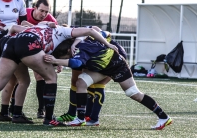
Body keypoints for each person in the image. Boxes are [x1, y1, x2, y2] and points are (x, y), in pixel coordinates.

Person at [0, 23, 118, 126]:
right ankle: (48, 118)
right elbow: (91, 30)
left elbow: (42, 51)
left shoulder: (47, 30)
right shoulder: (64, 31)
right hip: (28, 43)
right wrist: (107, 44)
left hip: (12, 42)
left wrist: (56, 62)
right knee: (51, 78)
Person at [44, 37, 173, 130]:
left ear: (67, 51)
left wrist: (56, 61)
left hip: (117, 65)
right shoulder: (77, 41)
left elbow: (76, 63)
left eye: (64, 58)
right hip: (103, 68)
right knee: (81, 83)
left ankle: (163, 117)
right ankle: (80, 119)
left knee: (133, 93)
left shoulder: (79, 48)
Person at [56, 28, 127, 126]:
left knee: (98, 84)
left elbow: (103, 32)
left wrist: (107, 43)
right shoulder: (75, 44)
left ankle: (93, 118)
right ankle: (80, 115)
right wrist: (59, 63)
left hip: (111, 56)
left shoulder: (82, 36)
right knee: (80, 81)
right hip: (94, 56)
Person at [8, 0, 58, 119]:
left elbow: (54, 40)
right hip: (19, 49)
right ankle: (11, 108)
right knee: (16, 80)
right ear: (34, 8)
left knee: (41, 76)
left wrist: (57, 62)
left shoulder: (51, 20)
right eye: (41, 10)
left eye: (46, 12)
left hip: (38, 51)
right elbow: (13, 28)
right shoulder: (24, 13)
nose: (44, 14)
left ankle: (41, 110)